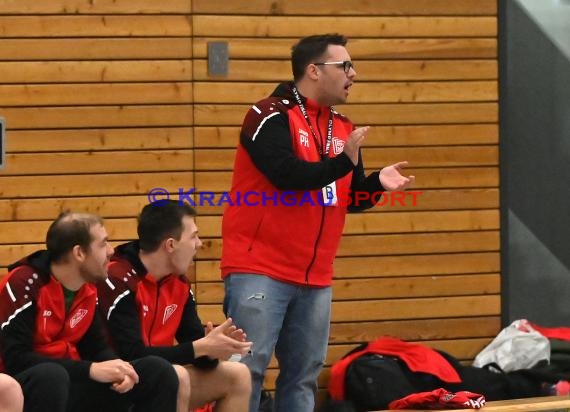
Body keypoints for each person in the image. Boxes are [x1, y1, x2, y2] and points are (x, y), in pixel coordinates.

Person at [221, 33, 415, 412]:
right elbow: (287, 175)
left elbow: (350, 198)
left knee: (303, 376)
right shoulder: (268, 115)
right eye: (344, 65)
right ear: (313, 70)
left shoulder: (342, 126)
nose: (353, 73)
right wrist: (344, 162)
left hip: (315, 278)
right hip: (260, 269)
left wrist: (375, 183)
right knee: (246, 372)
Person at [0, 212, 179, 412]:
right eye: (103, 244)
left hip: (65, 380)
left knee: (156, 370)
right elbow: (16, 359)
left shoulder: (87, 288)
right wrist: (90, 370)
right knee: (51, 376)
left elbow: (96, 347)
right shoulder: (24, 283)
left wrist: (119, 368)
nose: (111, 251)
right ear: (79, 253)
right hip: (20, 386)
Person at [96, 200, 252, 412]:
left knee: (238, 375)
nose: (199, 244)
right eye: (193, 236)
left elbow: (193, 349)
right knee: (175, 376)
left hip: (163, 378)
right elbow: (132, 354)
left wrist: (214, 350)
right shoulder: (118, 279)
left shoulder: (179, 283)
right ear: (170, 245)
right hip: (116, 384)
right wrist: (200, 348)